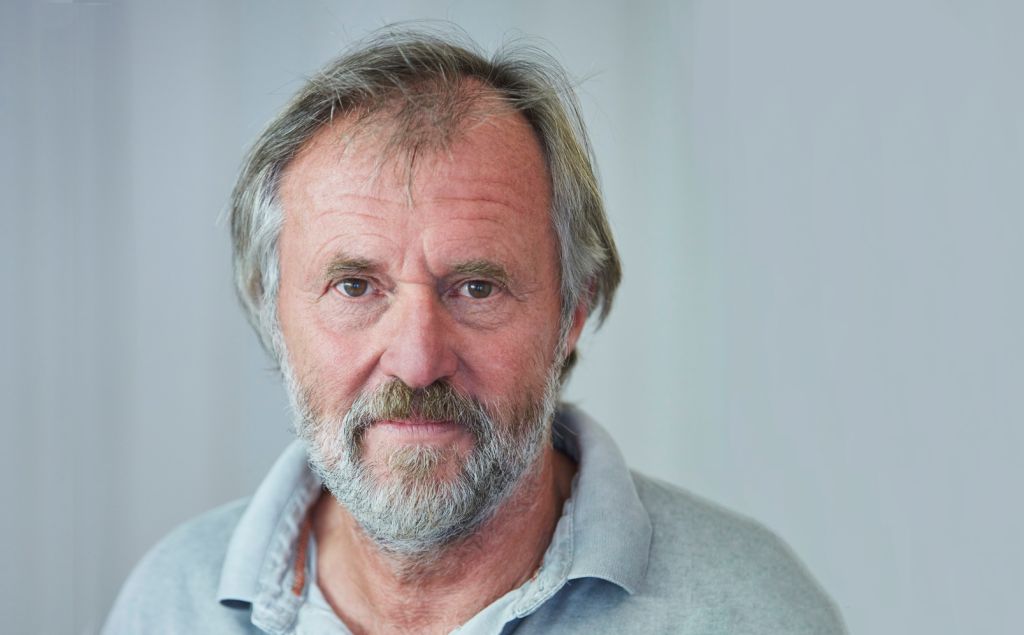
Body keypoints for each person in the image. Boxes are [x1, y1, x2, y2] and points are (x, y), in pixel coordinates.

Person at [104, 26, 846, 635]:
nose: (417, 360)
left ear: (573, 311)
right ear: (274, 314)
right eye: (355, 286)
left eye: (477, 287)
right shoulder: (171, 603)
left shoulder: (750, 613)